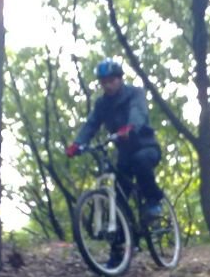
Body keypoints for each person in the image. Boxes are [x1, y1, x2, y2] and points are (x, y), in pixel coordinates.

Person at [66, 58, 164, 221]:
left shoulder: (135, 93)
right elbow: (91, 124)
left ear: (120, 79)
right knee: (120, 194)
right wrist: (77, 144)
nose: (107, 85)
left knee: (141, 162)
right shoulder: (101, 104)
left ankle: (154, 202)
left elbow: (138, 111)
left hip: (146, 146)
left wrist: (130, 127)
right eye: (104, 82)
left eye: (111, 81)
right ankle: (121, 233)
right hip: (124, 154)